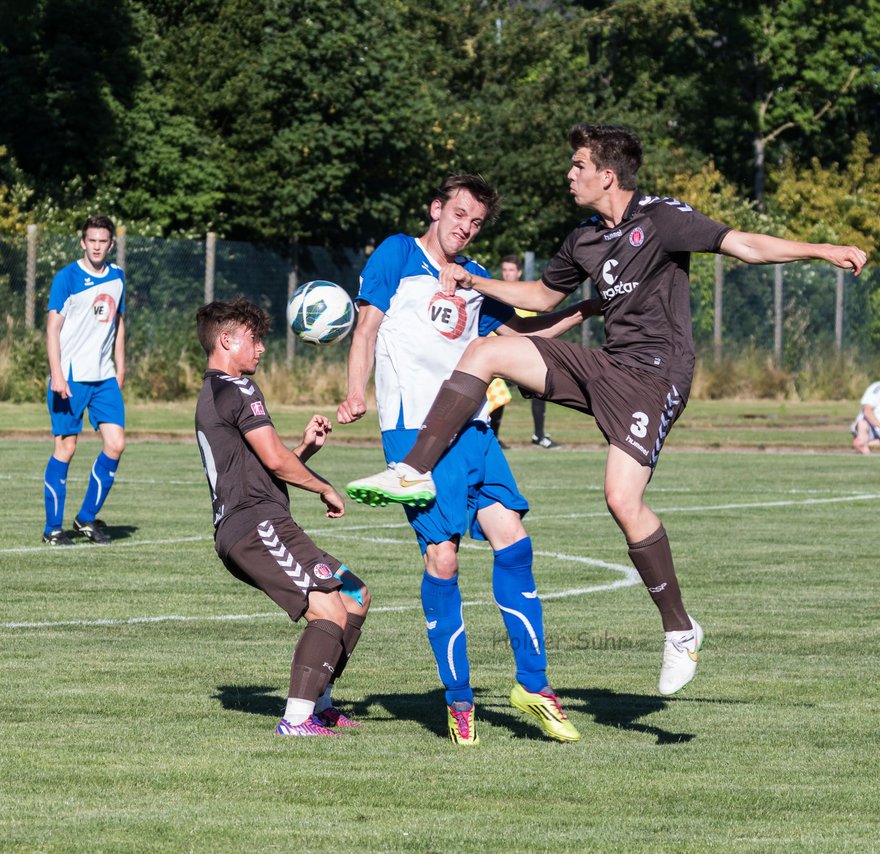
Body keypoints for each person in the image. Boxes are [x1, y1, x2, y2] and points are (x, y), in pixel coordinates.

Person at [347, 124, 869, 695]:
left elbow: (743, 244)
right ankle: (413, 469)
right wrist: (476, 279)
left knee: (622, 499)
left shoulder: (663, 217)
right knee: (486, 350)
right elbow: (541, 301)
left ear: (607, 174)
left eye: (578, 166)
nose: (570, 175)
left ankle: (680, 630)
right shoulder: (583, 239)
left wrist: (821, 250)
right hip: (609, 365)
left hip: (656, 376)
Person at [337, 173, 597, 744]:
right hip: (414, 434)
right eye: (458, 215)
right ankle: (459, 701)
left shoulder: (476, 277)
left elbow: (531, 330)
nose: (465, 228)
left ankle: (535, 687)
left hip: (475, 428)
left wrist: (594, 302)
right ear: (436, 209)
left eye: (475, 222)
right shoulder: (398, 253)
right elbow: (367, 328)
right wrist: (357, 389)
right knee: (444, 562)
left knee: (515, 542)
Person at [195, 298, 370, 737]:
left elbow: (264, 467)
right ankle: (296, 719)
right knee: (329, 609)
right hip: (254, 526)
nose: (261, 349)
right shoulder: (237, 389)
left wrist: (305, 450)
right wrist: (324, 485)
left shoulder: (218, 392)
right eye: (254, 340)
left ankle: (321, 703)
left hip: (261, 520)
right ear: (226, 340)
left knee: (354, 595)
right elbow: (273, 462)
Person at [42, 215, 127, 546]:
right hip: (72, 376)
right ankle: (52, 529)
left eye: (102, 241)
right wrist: (58, 373)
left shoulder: (118, 278)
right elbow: (52, 329)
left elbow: (118, 324)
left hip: (104, 376)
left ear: (110, 244)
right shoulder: (67, 277)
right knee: (66, 447)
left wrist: (120, 367)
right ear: (82, 242)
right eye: (91, 240)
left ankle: (86, 518)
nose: (96, 246)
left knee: (116, 444)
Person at [501, 254, 558, 449]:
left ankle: (539, 435)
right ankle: (492, 435)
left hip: (521, 355)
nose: (507, 274)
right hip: (499, 354)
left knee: (539, 388)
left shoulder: (525, 294)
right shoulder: (496, 293)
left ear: (519, 273)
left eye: (510, 270)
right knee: (497, 396)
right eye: (504, 270)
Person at [851, 381, 880, 454]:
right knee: (862, 424)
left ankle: (866, 443)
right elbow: (867, 411)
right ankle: (863, 444)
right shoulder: (876, 389)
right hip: (870, 427)